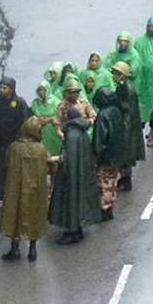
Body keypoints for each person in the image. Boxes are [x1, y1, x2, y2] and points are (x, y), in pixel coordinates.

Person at [49, 78, 100, 244]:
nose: (74, 94)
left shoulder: (73, 134)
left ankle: (72, 230)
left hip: (71, 174)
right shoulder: (80, 133)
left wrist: (55, 159)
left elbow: (68, 158)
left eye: (76, 91)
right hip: (81, 170)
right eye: (71, 92)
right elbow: (57, 123)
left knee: (70, 200)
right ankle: (77, 228)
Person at [0, 117, 51, 261]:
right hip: (36, 188)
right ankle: (33, 249)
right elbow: (49, 165)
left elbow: (6, 164)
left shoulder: (14, 147)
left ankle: (15, 248)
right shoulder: (41, 149)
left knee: (15, 215)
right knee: (34, 215)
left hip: (16, 187)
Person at [0, 79, 28, 210]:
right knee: (1, 170)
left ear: (12, 88)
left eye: (5, 88)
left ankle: (16, 199)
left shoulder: (19, 102)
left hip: (15, 143)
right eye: (1, 87)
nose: (2, 90)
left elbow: (25, 121)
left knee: (15, 171)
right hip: (0, 143)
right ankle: (1, 199)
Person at [90, 86, 125, 220]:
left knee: (104, 183)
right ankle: (109, 208)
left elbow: (99, 140)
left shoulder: (103, 115)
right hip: (117, 155)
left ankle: (104, 210)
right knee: (112, 182)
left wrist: (96, 156)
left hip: (106, 157)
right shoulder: (116, 111)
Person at [109, 60, 145, 188]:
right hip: (128, 124)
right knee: (126, 154)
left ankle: (126, 179)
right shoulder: (124, 87)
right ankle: (125, 178)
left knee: (125, 154)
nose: (113, 76)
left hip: (127, 126)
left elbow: (127, 109)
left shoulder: (126, 89)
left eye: (115, 73)